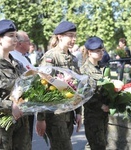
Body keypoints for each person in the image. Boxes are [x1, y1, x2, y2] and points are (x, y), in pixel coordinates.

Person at [36, 21, 82, 150]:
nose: (73, 39)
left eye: (75, 36)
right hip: (54, 113)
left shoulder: (73, 59)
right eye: (70, 35)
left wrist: (79, 112)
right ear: (60, 36)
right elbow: (43, 87)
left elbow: (77, 87)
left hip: (69, 113)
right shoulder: (51, 57)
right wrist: (41, 118)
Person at [0, 19, 31, 149]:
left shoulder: (18, 65)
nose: (16, 40)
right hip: (1, 133)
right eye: (11, 36)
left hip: (21, 131)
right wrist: (10, 106)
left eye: (16, 36)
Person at [80, 36, 110, 150]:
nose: (101, 53)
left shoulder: (100, 68)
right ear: (89, 52)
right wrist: (101, 105)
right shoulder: (84, 70)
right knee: (98, 146)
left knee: (95, 145)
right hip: (93, 115)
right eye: (97, 51)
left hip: (103, 114)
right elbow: (84, 95)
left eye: (102, 50)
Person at [10, 30, 36, 140]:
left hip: (27, 106)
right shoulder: (12, 57)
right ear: (20, 43)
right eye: (28, 41)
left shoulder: (25, 57)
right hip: (16, 108)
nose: (30, 44)